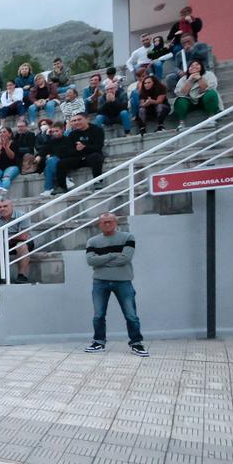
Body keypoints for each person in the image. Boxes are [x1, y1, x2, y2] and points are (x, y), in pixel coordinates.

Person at [85, 213, 149, 357]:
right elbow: (91, 261)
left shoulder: (128, 237)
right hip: (100, 282)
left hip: (123, 281)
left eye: (110, 222)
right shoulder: (92, 241)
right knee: (98, 315)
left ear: (116, 223)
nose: (107, 224)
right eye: (103, 222)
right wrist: (112, 255)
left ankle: (136, 343)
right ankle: (98, 342)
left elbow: (125, 258)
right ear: (99, 225)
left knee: (131, 314)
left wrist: (102, 260)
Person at [54, 113, 105, 195]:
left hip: (92, 156)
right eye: (74, 121)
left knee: (96, 157)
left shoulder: (97, 130)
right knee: (61, 163)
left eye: (79, 119)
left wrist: (84, 147)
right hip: (78, 157)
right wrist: (77, 150)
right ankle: (61, 186)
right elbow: (69, 150)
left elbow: (98, 147)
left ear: (87, 119)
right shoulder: (72, 134)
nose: (76, 122)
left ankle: (98, 181)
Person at [0, 198, 32, 284]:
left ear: (12, 206)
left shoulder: (22, 216)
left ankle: (21, 275)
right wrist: (13, 236)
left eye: (5, 206)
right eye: (0, 207)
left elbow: (23, 236)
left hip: (21, 242)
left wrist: (3, 236)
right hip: (5, 241)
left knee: (21, 245)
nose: (2, 209)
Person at [173, 60, 221, 130]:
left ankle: (212, 118)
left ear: (201, 66)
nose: (194, 67)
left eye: (197, 65)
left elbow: (207, 88)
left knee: (211, 94)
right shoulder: (183, 79)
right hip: (190, 101)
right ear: (188, 69)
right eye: (191, 66)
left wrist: (199, 78)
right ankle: (181, 123)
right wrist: (189, 81)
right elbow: (181, 93)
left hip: (204, 98)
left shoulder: (208, 74)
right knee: (180, 101)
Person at [37, 121, 67, 197]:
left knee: (50, 160)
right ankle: (50, 188)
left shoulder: (67, 139)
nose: (55, 133)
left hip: (65, 161)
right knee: (47, 167)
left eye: (57, 131)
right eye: (53, 131)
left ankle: (48, 188)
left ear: (63, 129)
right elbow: (44, 149)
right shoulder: (52, 141)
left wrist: (52, 155)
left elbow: (67, 153)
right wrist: (39, 156)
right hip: (55, 162)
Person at [0, 127, 19, 199]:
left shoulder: (15, 143)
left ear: (10, 134)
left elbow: (12, 157)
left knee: (6, 177)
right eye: (1, 132)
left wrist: (6, 147)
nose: (2, 134)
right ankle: (0, 192)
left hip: (12, 166)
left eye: (4, 132)